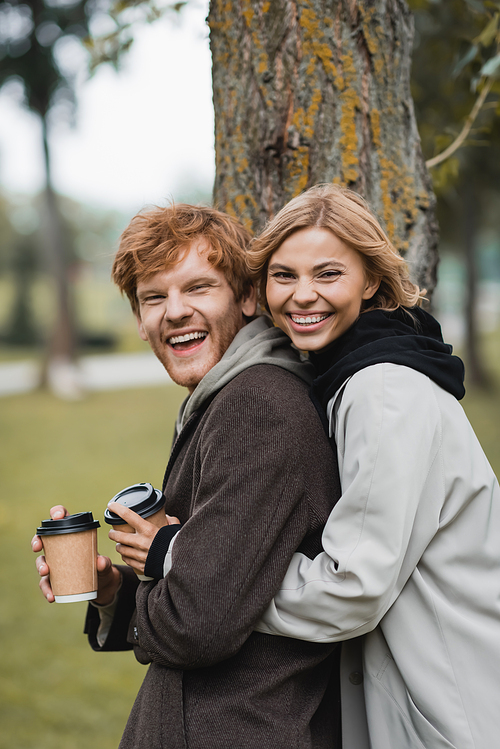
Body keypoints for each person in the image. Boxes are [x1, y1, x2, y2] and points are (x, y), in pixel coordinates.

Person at [32, 203, 343, 749]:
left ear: (247, 297)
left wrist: (163, 584)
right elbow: (218, 590)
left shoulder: (258, 403)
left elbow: (200, 622)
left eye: (198, 287)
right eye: (154, 297)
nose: (174, 311)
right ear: (138, 317)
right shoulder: (225, 397)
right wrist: (110, 591)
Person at [246, 183, 500, 749]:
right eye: (283, 275)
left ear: (372, 282)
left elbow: (351, 589)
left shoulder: (382, 388)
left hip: (453, 709)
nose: (302, 295)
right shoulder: (355, 373)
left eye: (328, 274)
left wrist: (209, 578)